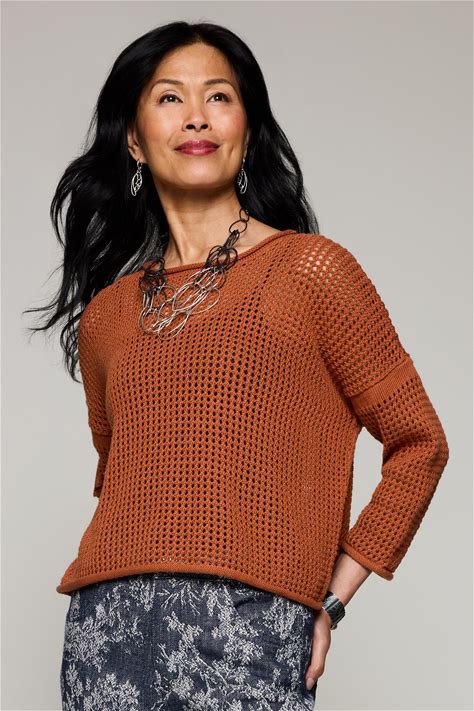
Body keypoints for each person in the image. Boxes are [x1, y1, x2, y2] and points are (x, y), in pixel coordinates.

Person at [27, 20, 449, 711]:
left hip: (249, 627)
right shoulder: (108, 315)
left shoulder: (311, 271)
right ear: (133, 139)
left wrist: (332, 600)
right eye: (169, 97)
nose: (196, 115)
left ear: (247, 132)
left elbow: (420, 442)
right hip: (106, 629)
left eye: (219, 96)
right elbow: (124, 476)